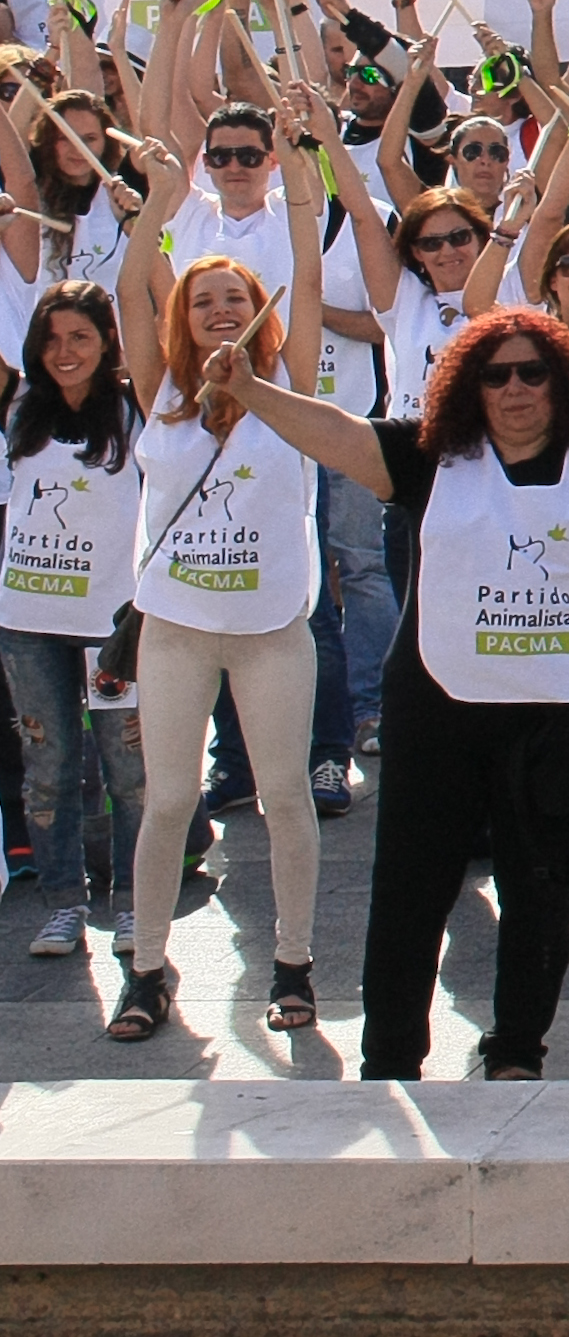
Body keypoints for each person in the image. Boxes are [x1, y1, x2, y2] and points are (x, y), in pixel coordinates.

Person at [217, 301, 569, 1079]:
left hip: (560, 710)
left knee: (542, 889)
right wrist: (253, 389)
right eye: (497, 375)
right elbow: (336, 434)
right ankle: (391, 1055)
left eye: (534, 371)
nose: (517, 389)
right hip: (440, 707)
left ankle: (517, 1050)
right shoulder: (433, 456)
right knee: (410, 890)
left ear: (561, 380)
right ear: (471, 385)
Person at [103, 126, 329, 1046]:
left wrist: (306, 175)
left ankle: (294, 962)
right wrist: (159, 200)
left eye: (236, 296)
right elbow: (128, 285)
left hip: (273, 626)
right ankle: (147, 970)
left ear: (257, 309)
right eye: (205, 300)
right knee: (166, 800)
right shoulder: (159, 385)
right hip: (178, 628)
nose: (221, 311)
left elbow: (310, 277)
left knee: (284, 793)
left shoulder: (292, 379)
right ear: (184, 317)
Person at [1, 287, 141, 963]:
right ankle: (64, 903)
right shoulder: (21, 405)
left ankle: (137, 908)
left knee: (129, 770)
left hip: (112, 626)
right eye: (52, 339)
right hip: (26, 622)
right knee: (48, 767)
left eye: (80, 337)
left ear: (107, 341)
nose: (65, 352)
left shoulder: (137, 409)